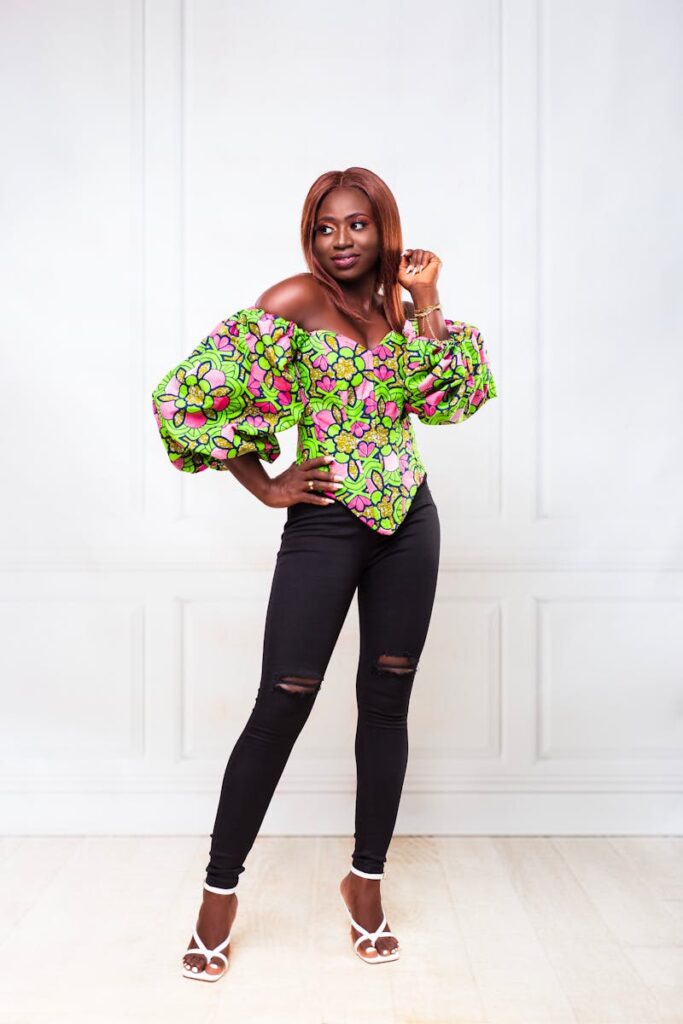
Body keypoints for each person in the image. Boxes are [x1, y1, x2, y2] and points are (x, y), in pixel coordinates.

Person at [150, 166, 497, 981]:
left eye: (356, 226)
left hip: (409, 520)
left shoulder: (401, 311)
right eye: (324, 228)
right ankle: (218, 894)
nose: (339, 242)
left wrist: (428, 303)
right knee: (282, 702)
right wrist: (267, 484)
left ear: (385, 230)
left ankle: (364, 882)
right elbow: (183, 398)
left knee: (386, 701)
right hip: (326, 523)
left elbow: (451, 402)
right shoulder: (290, 302)